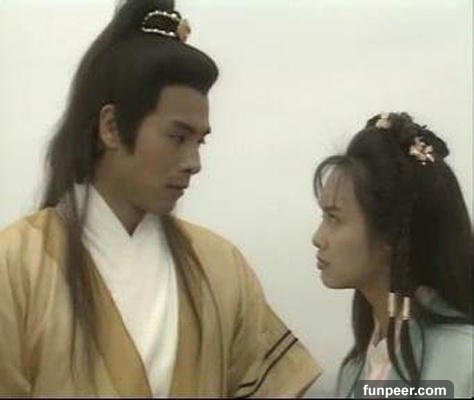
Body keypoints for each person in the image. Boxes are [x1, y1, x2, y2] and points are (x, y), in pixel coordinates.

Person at [0, 0, 321, 396]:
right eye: (177, 137)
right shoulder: (15, 266)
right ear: (112, 127)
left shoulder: (221, 266)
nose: (194, 163)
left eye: (200, 141)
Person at [312, 112, 473, 397]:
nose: (318, 238)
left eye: (334, 218)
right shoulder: (355, 368)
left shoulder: (463, 361)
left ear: (390, 232)